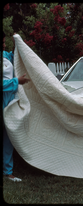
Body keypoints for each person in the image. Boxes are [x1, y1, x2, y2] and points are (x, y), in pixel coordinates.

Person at [3, 32, 30, 182]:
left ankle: (8, 171)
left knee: (8, 136)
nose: (4, 45)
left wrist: (17, 45)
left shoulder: (5, 56)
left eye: (4, 42)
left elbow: (17, 60)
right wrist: (16, 81)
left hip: (9, 101)